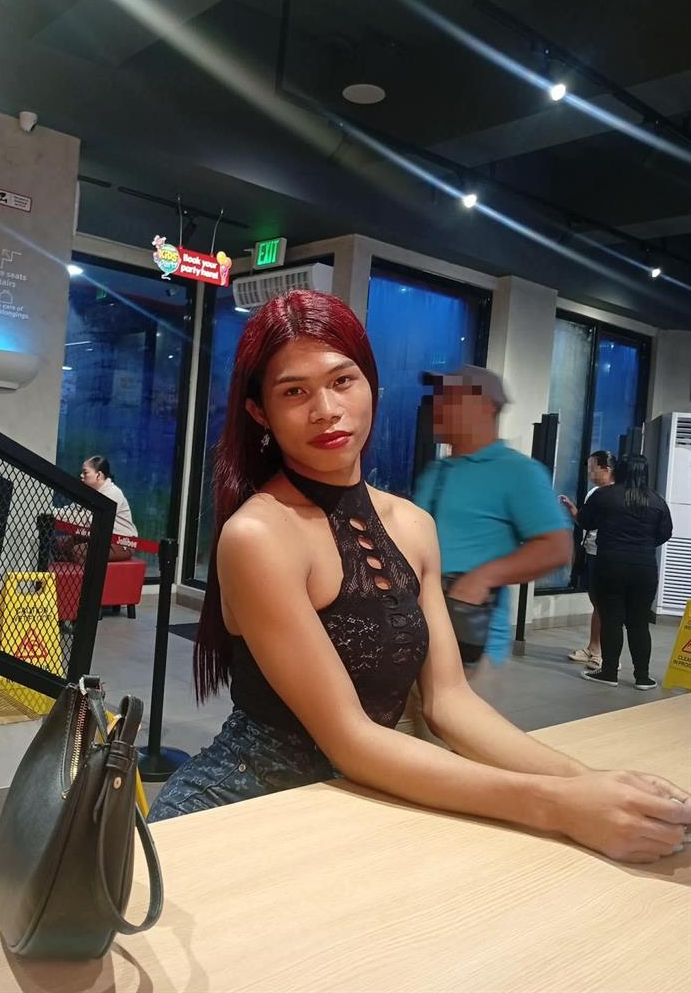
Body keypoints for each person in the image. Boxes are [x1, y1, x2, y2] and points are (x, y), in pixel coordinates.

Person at [148, 290, 690, 864]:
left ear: (371, 385)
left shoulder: (412, 524)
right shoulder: (259, 534)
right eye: (294, 392)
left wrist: (589, 784)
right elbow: (350, 738)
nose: (326, 409)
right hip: (240, 813)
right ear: (260, 412)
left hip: (367, 800)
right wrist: (559, 805)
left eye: (342, 380)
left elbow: (450, 702)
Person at [413, 366, 572, 667]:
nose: (438, 405)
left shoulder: (518, 472)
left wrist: (484, 577)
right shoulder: (436, 471)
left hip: (471, 646)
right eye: (438, 397)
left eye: (450, 397)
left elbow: (557, 547)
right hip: (418, 639)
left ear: (484, 406)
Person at [578, 454, 673, 691]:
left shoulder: (604, 495)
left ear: (619, 470)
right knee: (639, 623)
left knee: (611, 619)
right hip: (644, 567)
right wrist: (643, 545)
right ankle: (643, 677)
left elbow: (586, 522)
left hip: (610, 564)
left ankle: (609, 672)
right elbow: (665, 533)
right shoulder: (657, 501)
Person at [560, 450, 616, 669]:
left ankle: (606, 655)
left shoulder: (616, 494)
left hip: (606, 554)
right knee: (596, 602)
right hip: (591, 551)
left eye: (593, 468)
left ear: (607, 469)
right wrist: (572, 509)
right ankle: (594, 648)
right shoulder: (594, 492)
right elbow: (585, 521)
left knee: (604, 604)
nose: (590, 473)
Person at [58, 455, 137, 563]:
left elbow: (87, 520)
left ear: (99, 475)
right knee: (59, 544)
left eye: (85, 472)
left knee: (79, 551)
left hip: (121, 542)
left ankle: (89, 573)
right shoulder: (88, 491)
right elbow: (72, 511)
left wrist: (54, 513)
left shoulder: (112, 493)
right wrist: (51, 511)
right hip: (97, 536)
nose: (81, 475)